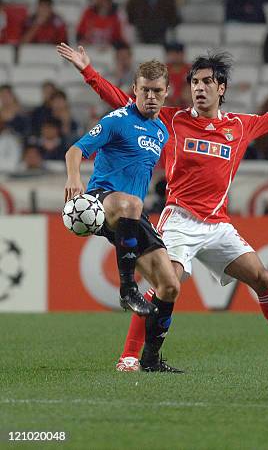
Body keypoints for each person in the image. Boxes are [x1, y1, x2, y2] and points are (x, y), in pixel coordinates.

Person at [56, 43, 268, 373]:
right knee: (166, 284)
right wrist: (88, 71)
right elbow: (124, 103)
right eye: (195, 82)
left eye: (207, 82)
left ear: (221, 88)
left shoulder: (240, 126)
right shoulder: (172, 119)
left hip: (218, 224)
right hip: (180, 218)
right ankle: (129, 356)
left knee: (262, 277)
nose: (199, 88)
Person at [63, 59, 183, 373]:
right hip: (103, 202)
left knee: (169, 285)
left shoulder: (161, 131)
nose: (151, 96)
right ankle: (128, 288)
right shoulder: (117, 119)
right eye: (145, 90)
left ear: (167, 92)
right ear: (135, 90)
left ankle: (151, 360)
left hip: (133, 214)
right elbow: (75, 150)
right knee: (131, 204)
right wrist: (74, 178)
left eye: (157, 91)